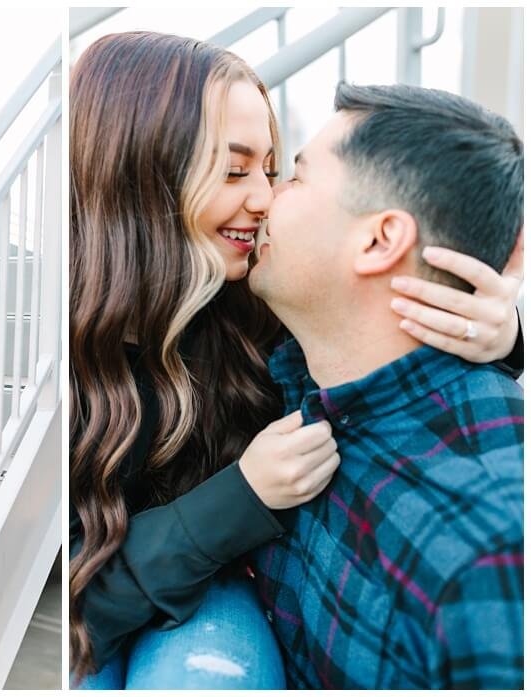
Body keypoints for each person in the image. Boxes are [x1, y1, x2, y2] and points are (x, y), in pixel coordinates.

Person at [67, 32, 524, 689]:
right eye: (233, 169)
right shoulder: (57, 352)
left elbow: (373, 335)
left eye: (279, 169)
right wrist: (240, 495)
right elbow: (67, 598)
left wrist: (502, 333)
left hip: (212, 601)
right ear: (141, 171)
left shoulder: (261, 308)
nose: (265, 197)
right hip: (109, 603)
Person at [247, 82, 523, 689]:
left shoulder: (490, 556)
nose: (265, 199)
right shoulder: (303, 374)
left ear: (378, 240)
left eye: (294, 178)